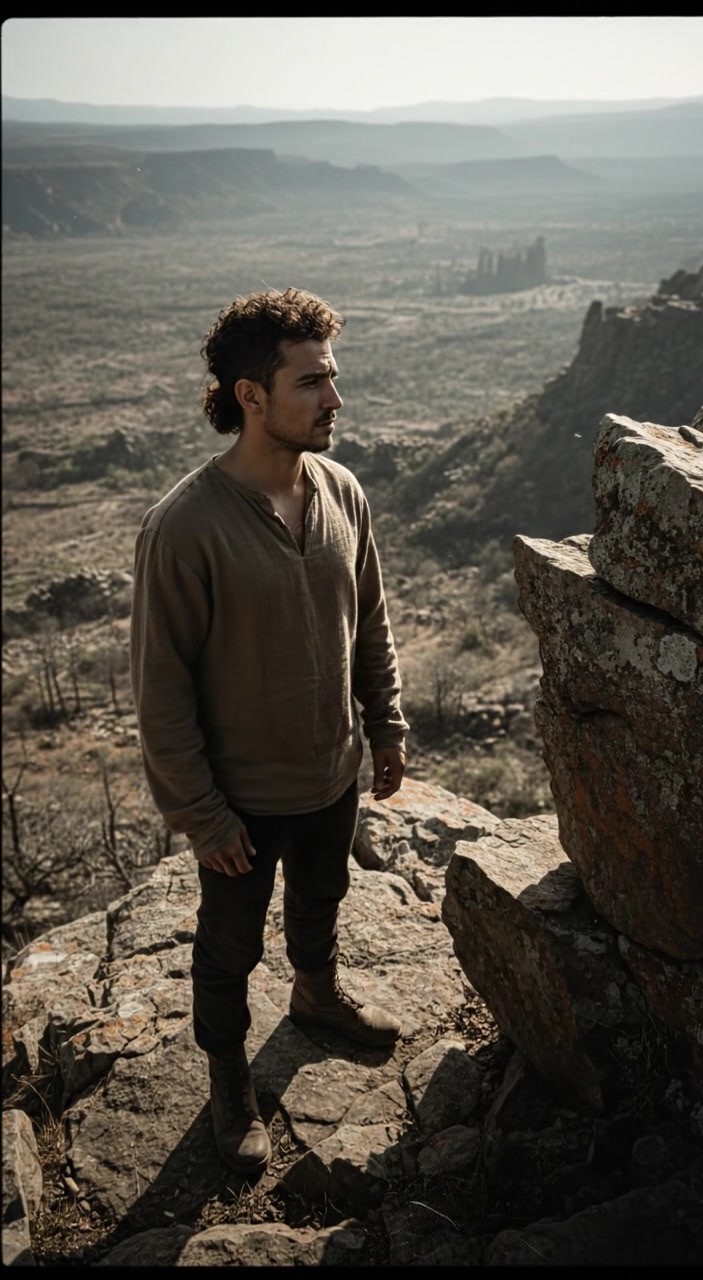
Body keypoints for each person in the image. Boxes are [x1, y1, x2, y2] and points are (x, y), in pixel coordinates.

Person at [129, 286, 408, 1177]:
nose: (335, 400)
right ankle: (227, 1080)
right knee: (228, 951)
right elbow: (161, 692)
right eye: (313, 382)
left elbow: (369, 619)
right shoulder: (184, 529)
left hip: (330, 775)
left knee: (321, 904)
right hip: (241, 804)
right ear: (251, 397)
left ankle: (318, 995)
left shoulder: (341, 490)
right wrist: (204, 819)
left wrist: (386, 724)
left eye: (334, 378)